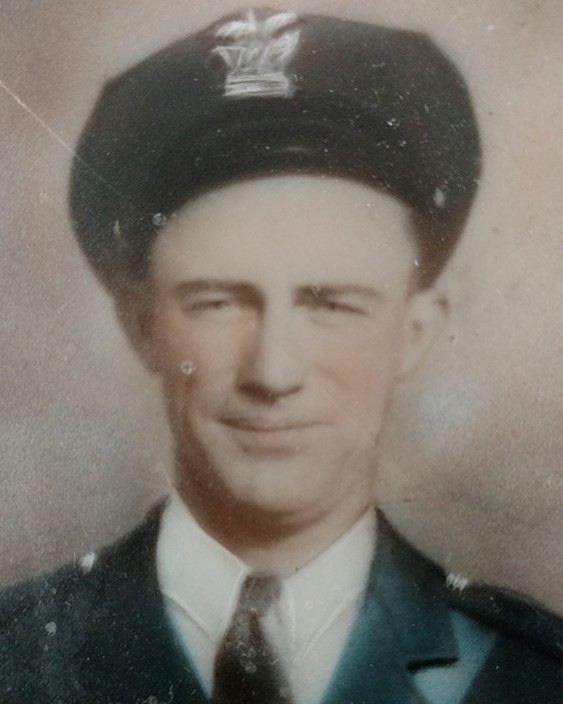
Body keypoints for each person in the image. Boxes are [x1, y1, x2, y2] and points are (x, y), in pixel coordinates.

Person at [1, 8, 561, 704]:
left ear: (416, 331)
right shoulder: (19, 659)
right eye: (217, 303)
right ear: (141, 327)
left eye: (332, 304)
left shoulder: (532, 678)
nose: (273, 373)